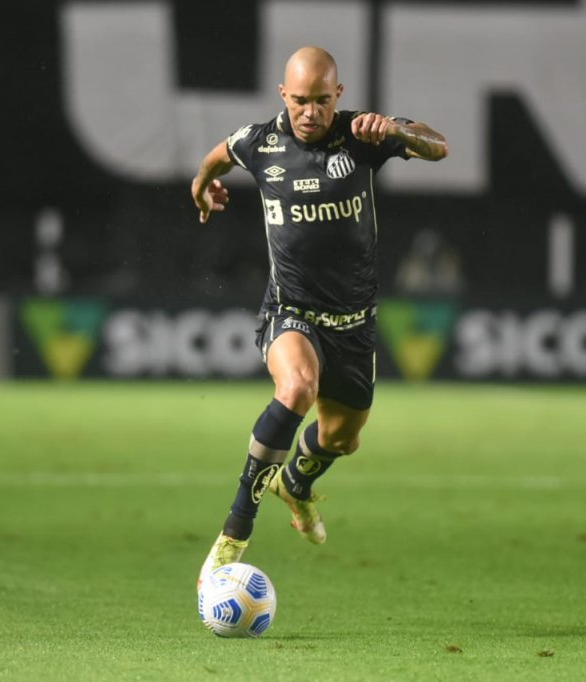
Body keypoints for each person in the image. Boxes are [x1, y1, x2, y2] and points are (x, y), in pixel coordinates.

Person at [190, 46, 448, 587]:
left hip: (353, 323)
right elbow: (218, 156)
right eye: (301, 100)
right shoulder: (260, 141)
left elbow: (438, 147)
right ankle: (234, 532)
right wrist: (203, 186)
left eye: (323, 101)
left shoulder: (361, 135)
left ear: (339, 95)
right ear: (283, 95)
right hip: (290, 311)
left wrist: (397, 131)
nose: (311, 112)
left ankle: (295, 485)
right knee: (298, 388)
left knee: (342, 439)